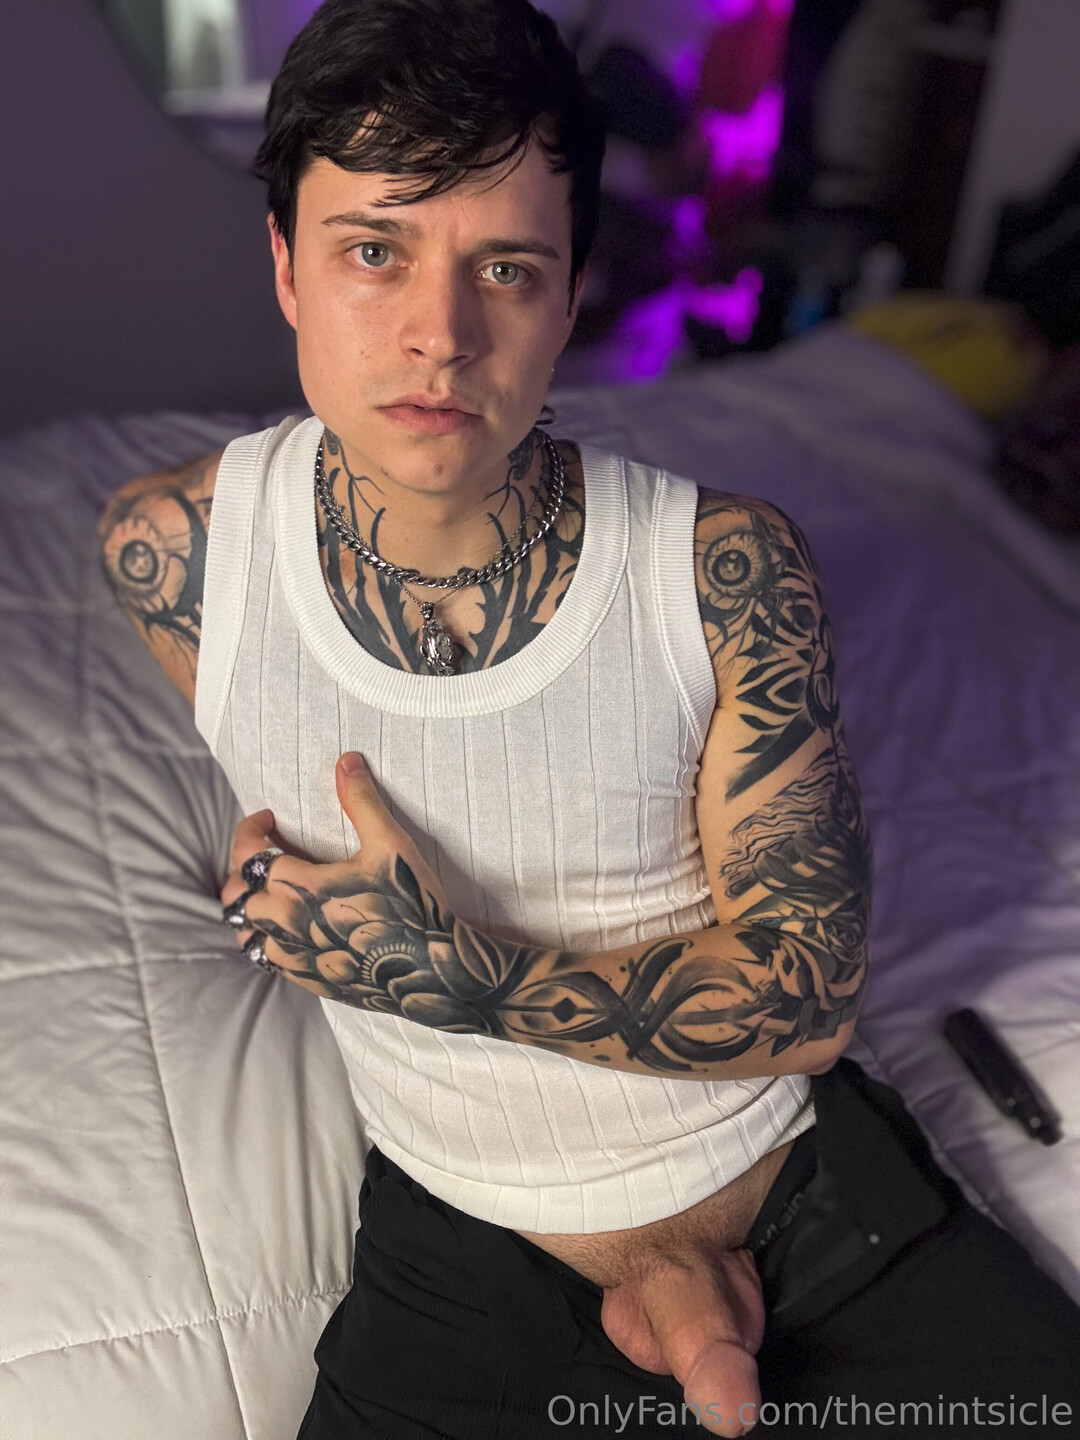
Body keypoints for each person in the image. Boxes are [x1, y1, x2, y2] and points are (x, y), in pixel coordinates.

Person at [97, 2, 1080, 1436]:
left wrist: (451, 970)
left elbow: (806, 998)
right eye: (374, 251)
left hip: (796, 1188)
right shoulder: (171, 557)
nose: (441, 336)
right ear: (288, 268)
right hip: (464, 1225)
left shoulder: (728, 570)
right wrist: (270, 904)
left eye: (506, 268)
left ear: (570, 300)